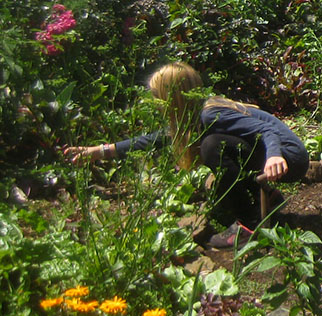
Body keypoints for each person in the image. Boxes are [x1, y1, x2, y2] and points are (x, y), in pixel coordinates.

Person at [63, 63, 309, 249]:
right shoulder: (195, 115)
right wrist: (101, 151)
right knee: (213, 145)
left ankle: (248, 224)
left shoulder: (210, 115)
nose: (156, 103)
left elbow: (265, 129)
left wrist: (274, 156)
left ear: (174, 96)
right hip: (274, 155)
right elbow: (157, 139)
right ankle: (268, 198)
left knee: (212, 146)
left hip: (288, 158)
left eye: (158, 97)